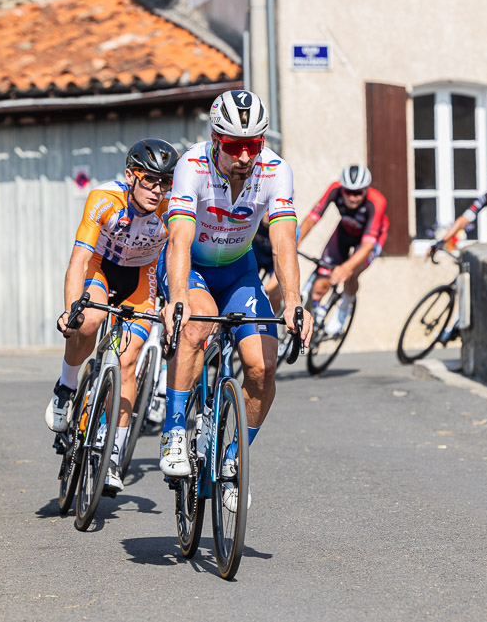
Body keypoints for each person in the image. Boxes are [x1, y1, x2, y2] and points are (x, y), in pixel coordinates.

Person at [158, 89, 314, 504]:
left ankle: (232, 457)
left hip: (239, 272)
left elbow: (283, 243)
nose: (245, 156)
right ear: (215, 140)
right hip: (190, 265)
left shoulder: (276, 171)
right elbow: (178, 238)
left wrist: (295, 301)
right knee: (196, 325)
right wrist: (177, 297)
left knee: (263, 369)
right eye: (234, 146)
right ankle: (174, 429)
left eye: (253, 145)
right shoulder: (191, 166)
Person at [46, 138, 179, 496]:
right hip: (100, 268)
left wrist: (173, 301)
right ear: (130, 175)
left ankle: (114, 449)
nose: (157, 189)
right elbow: (78, 259)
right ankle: (66, 386)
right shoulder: (104, 200)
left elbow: (179, 257)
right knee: (87, 323)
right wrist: (70, 309)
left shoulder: (172, 209)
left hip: (140, 277)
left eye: (165, 181)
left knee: (128, 360)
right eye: (149, 179)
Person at [297, 164, 388, 335]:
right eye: (349, 192)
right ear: (342, 189)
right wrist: (295, 242)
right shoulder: (334, 189)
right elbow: (312, 218)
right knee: (322, 278)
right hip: (345, 231)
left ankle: (344, 308)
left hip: (370, 240)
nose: (353, 198)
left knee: (350, 274)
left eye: (359, 192)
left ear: (366, 190)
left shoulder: (376, 201)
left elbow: (368, 245)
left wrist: (345, 268)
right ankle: (318, 309)